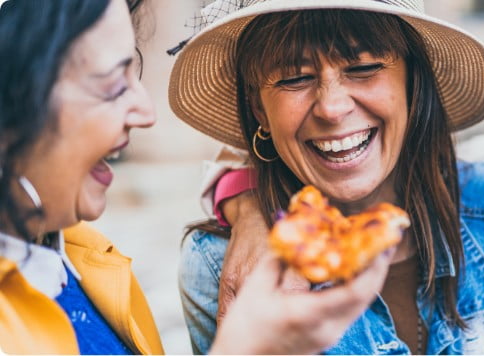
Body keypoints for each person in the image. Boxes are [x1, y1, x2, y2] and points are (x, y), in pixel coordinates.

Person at [169, 0, 484, 354]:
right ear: (259, 109)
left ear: (413, 81)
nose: (332, 108)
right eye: (294, 78)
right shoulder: (220, 266)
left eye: (363, 68)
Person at [0, 0, 392, 354]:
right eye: (113, 84)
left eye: (364, 68)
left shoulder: (87, 261)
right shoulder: (213, 263)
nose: (147, 112)